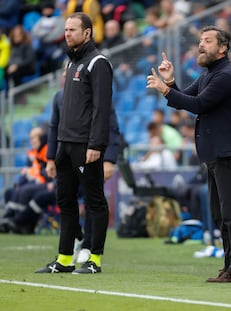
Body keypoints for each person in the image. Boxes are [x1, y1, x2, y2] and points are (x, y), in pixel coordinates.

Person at [147, 25, 231, 282]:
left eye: (207, 41)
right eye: (200, 41)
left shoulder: (226, 75)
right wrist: (170, 82)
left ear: (222, 47)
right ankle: (230, 266)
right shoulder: (209, 74)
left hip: (230, 154)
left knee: (230, 213)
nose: (201, 45)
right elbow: (186, 97)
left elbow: (199, 105)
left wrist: (165, 90)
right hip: (217, 154)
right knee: (219, 214)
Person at [36, 12, 113, 274]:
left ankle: (95, 260)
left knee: (95, 202)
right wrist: (55, 151)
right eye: (66, 30)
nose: (67, 33)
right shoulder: (71, 64)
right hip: (65, 146)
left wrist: (96, 144)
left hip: (85, 146)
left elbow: (102, 109)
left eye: (72, 30)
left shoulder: (98, 63)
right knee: (66, 202)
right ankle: (65, 259)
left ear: (87, 33)